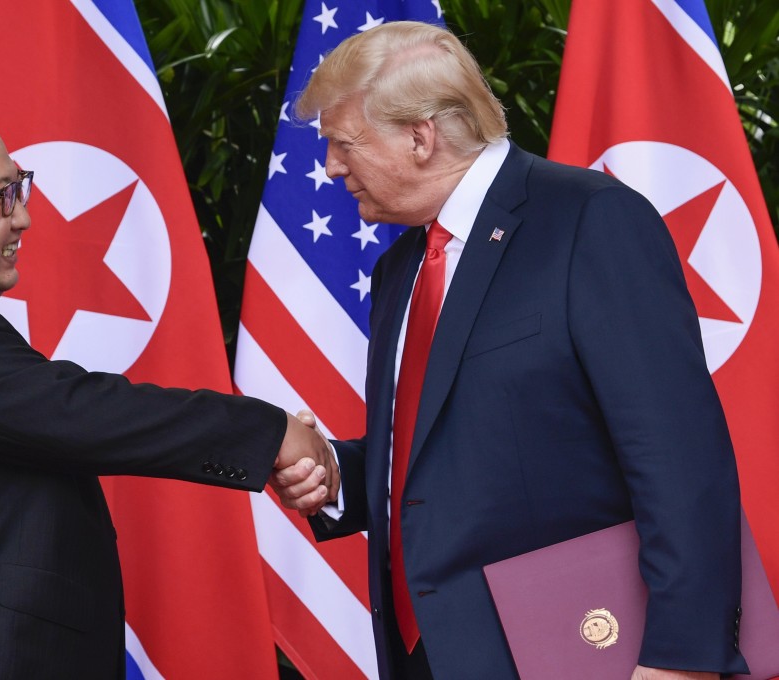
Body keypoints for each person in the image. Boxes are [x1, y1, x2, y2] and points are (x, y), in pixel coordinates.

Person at [0, 89, 337, 680]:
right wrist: (269, 431)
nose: (23, 216)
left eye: (19, 186)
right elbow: (78, 412)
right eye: (0, 196)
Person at [269, 21, 747, 680]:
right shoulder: (401, 265)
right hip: (428, 656)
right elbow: (452, 450)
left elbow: (679, 456)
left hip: (585, 653)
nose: (330, 166)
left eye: (344, 143)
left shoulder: (589, 221)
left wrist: (682, 659)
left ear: (420, 135)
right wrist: (336, 472)